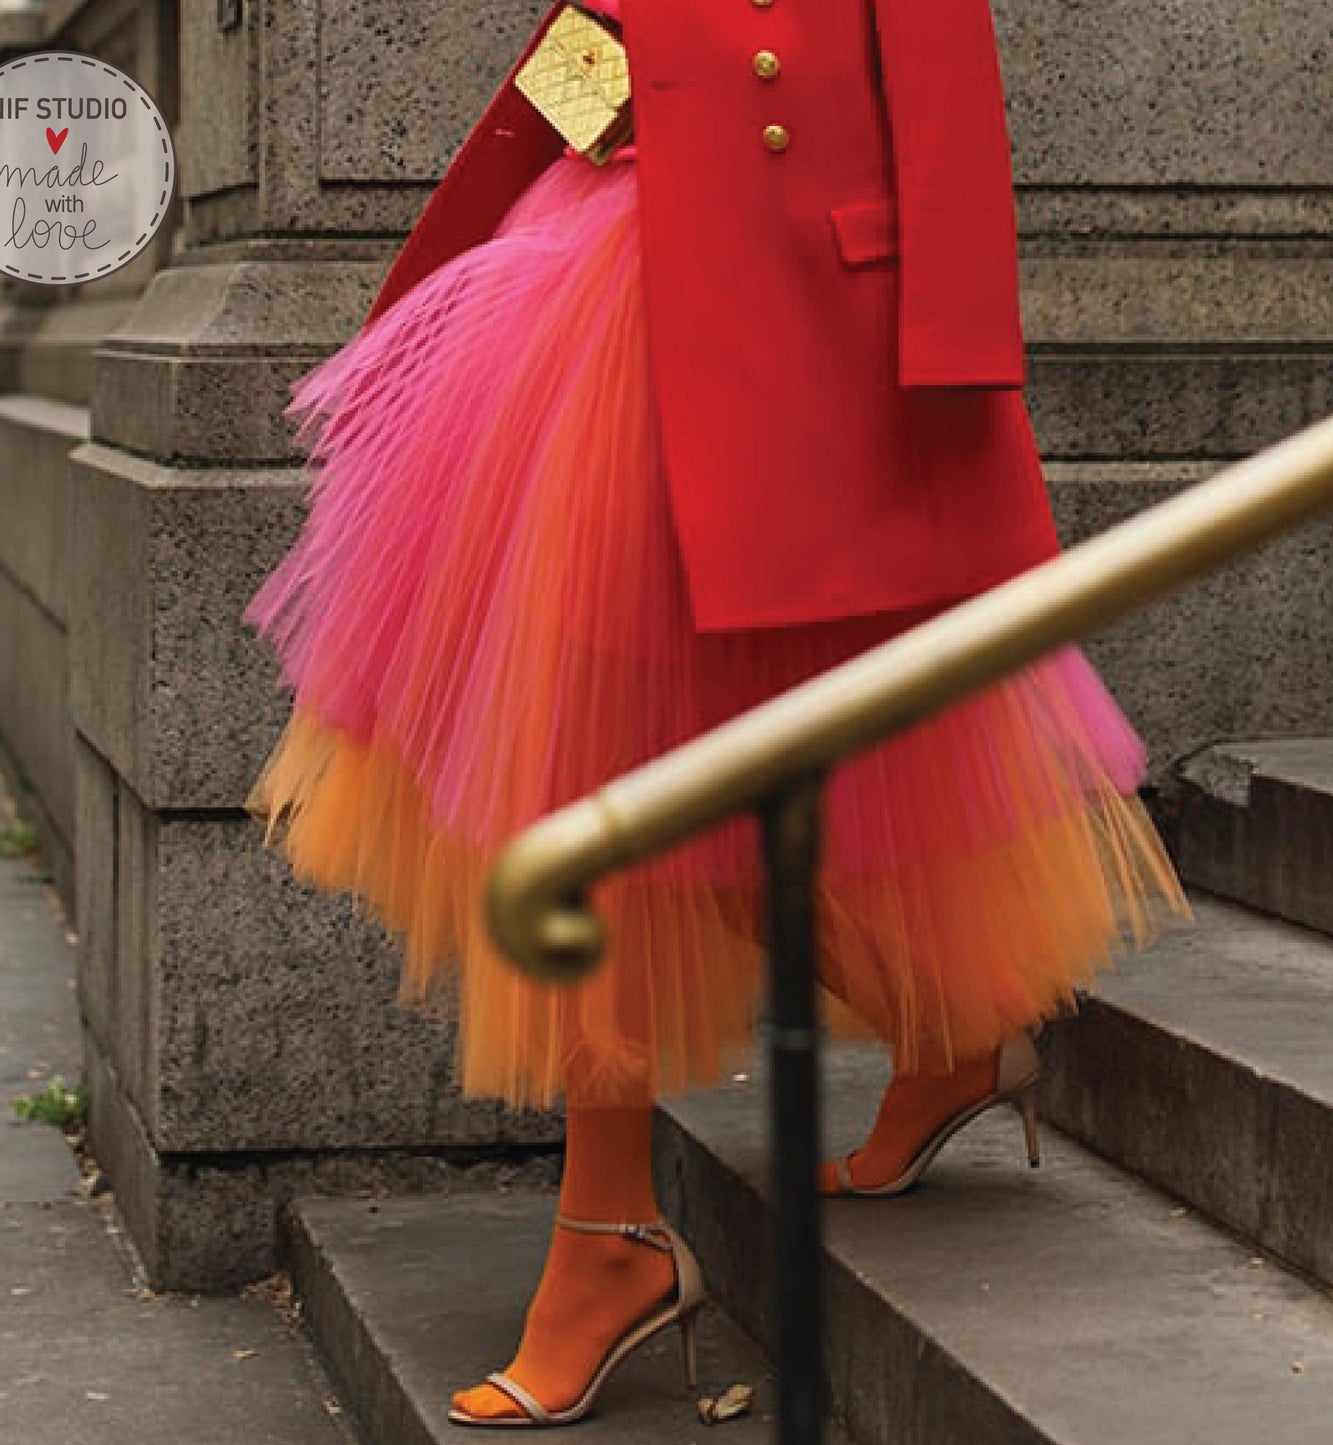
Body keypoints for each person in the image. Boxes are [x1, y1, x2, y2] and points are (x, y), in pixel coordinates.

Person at [243, 0, 1191, 1426]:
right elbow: (615, 32)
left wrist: (945, 358)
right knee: (596, 764)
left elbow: (938, 94)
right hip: (583, 304)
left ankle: (651, 1214)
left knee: (683, 771)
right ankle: (708, 1169)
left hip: (800, 339)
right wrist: (514, 182)